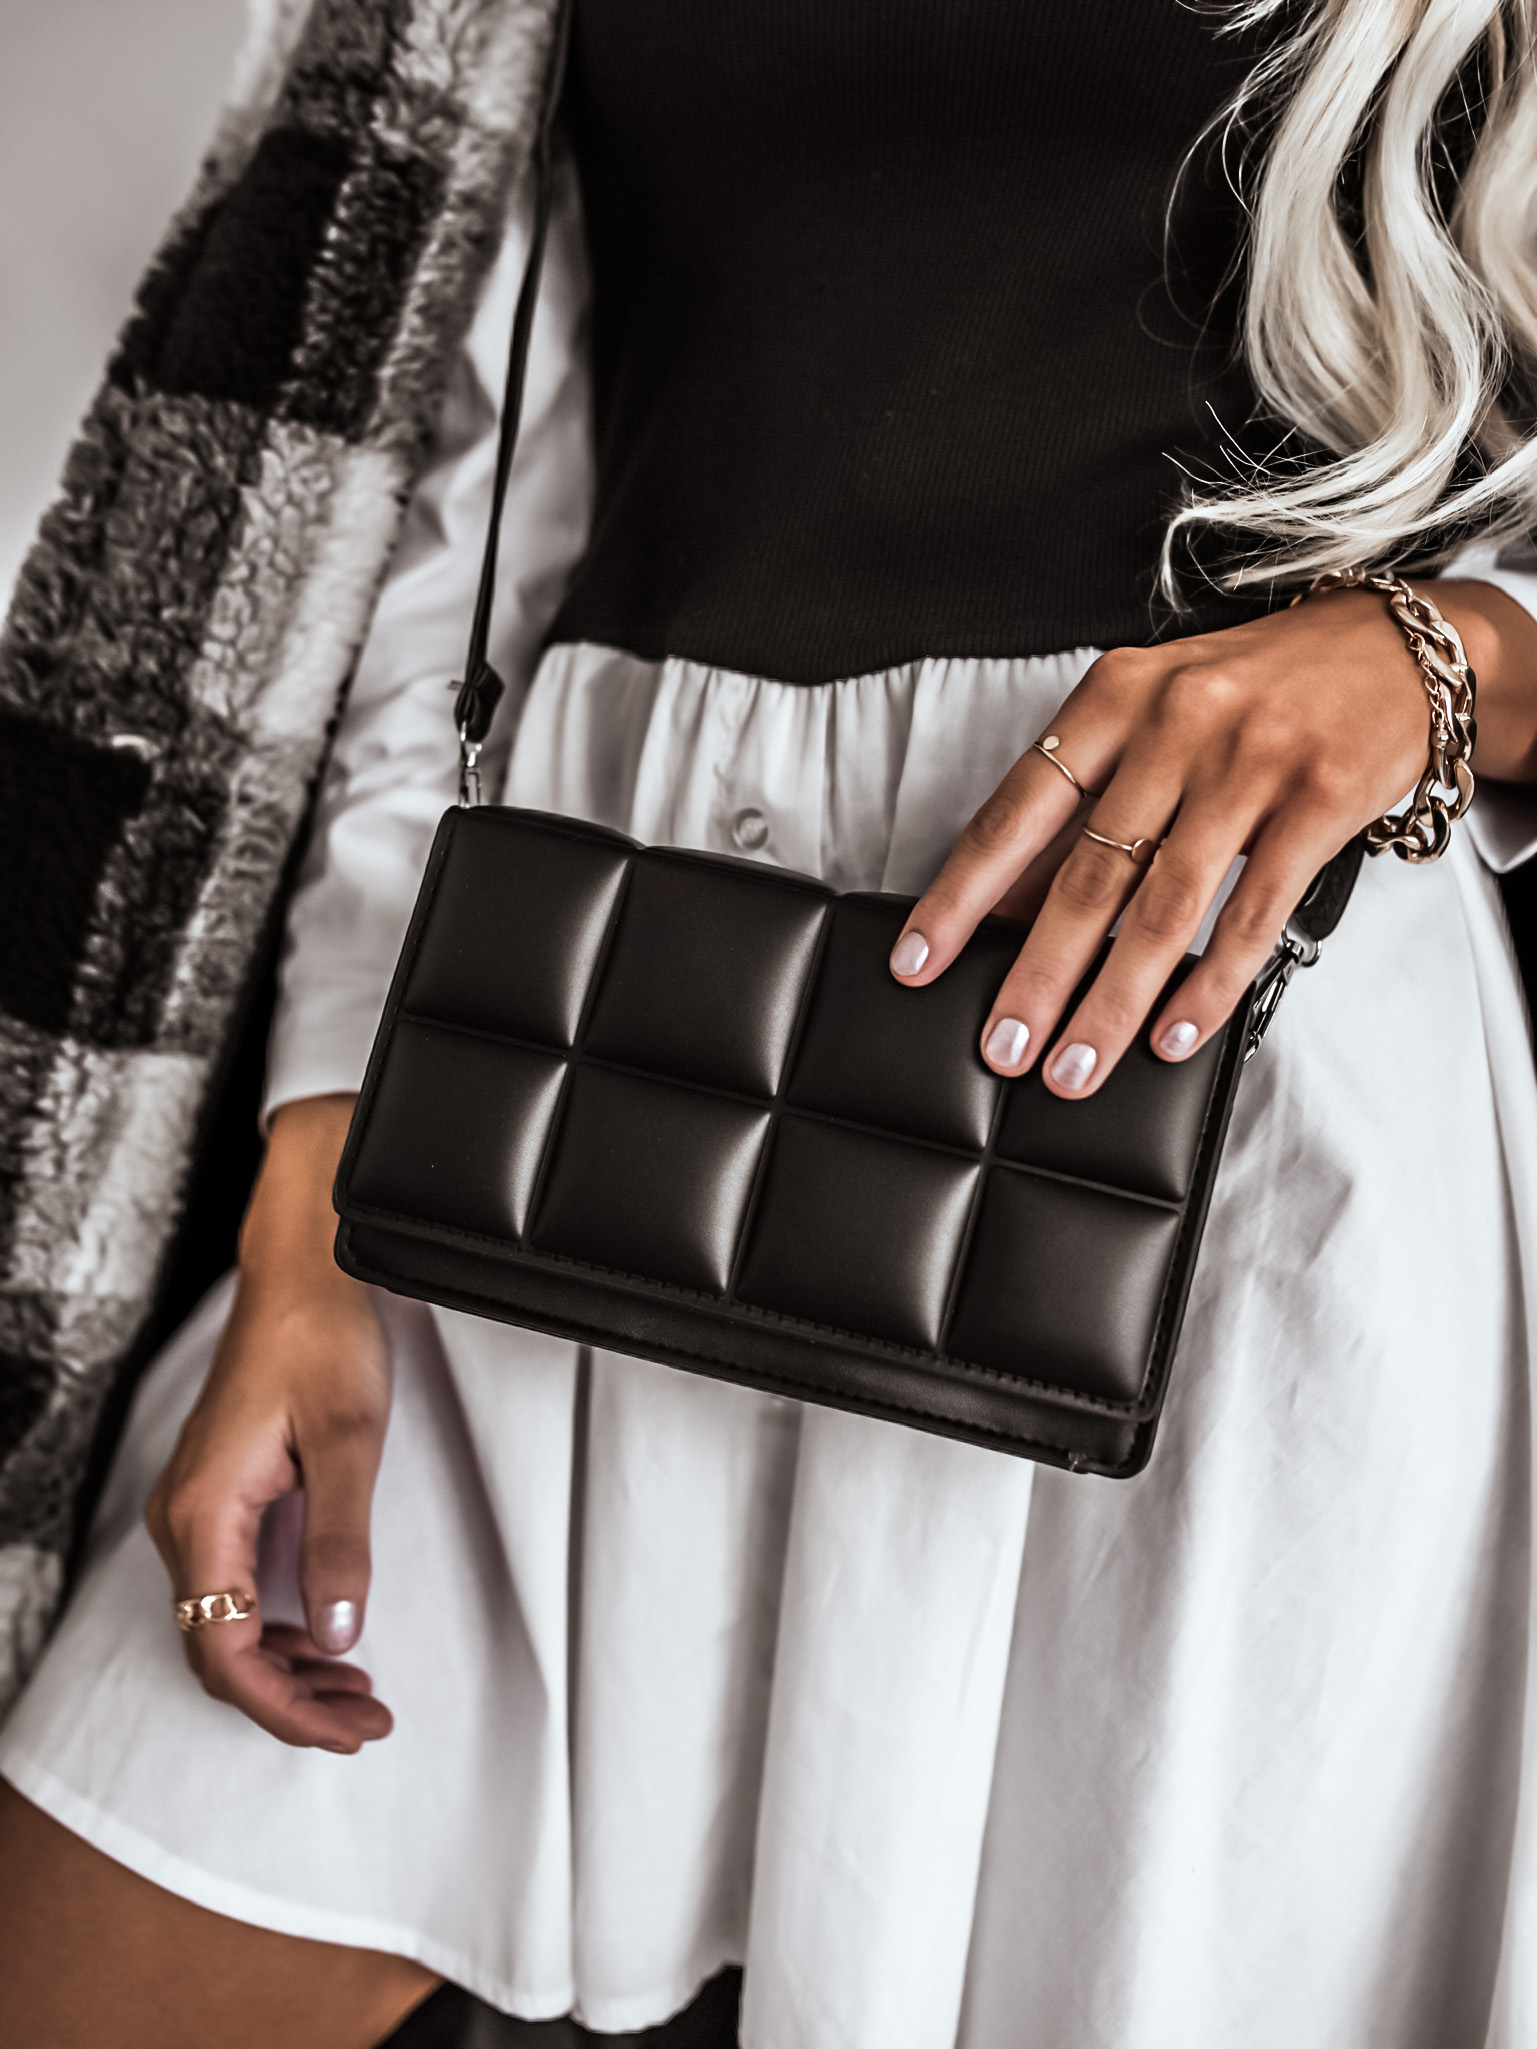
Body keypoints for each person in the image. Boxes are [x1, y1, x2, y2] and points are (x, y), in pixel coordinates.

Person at [4, 2, 1537, 2044]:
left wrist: (1460, 657)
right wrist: (320, 1174)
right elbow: (456, 519)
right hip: (574, 1047)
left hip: (1195, 1087)